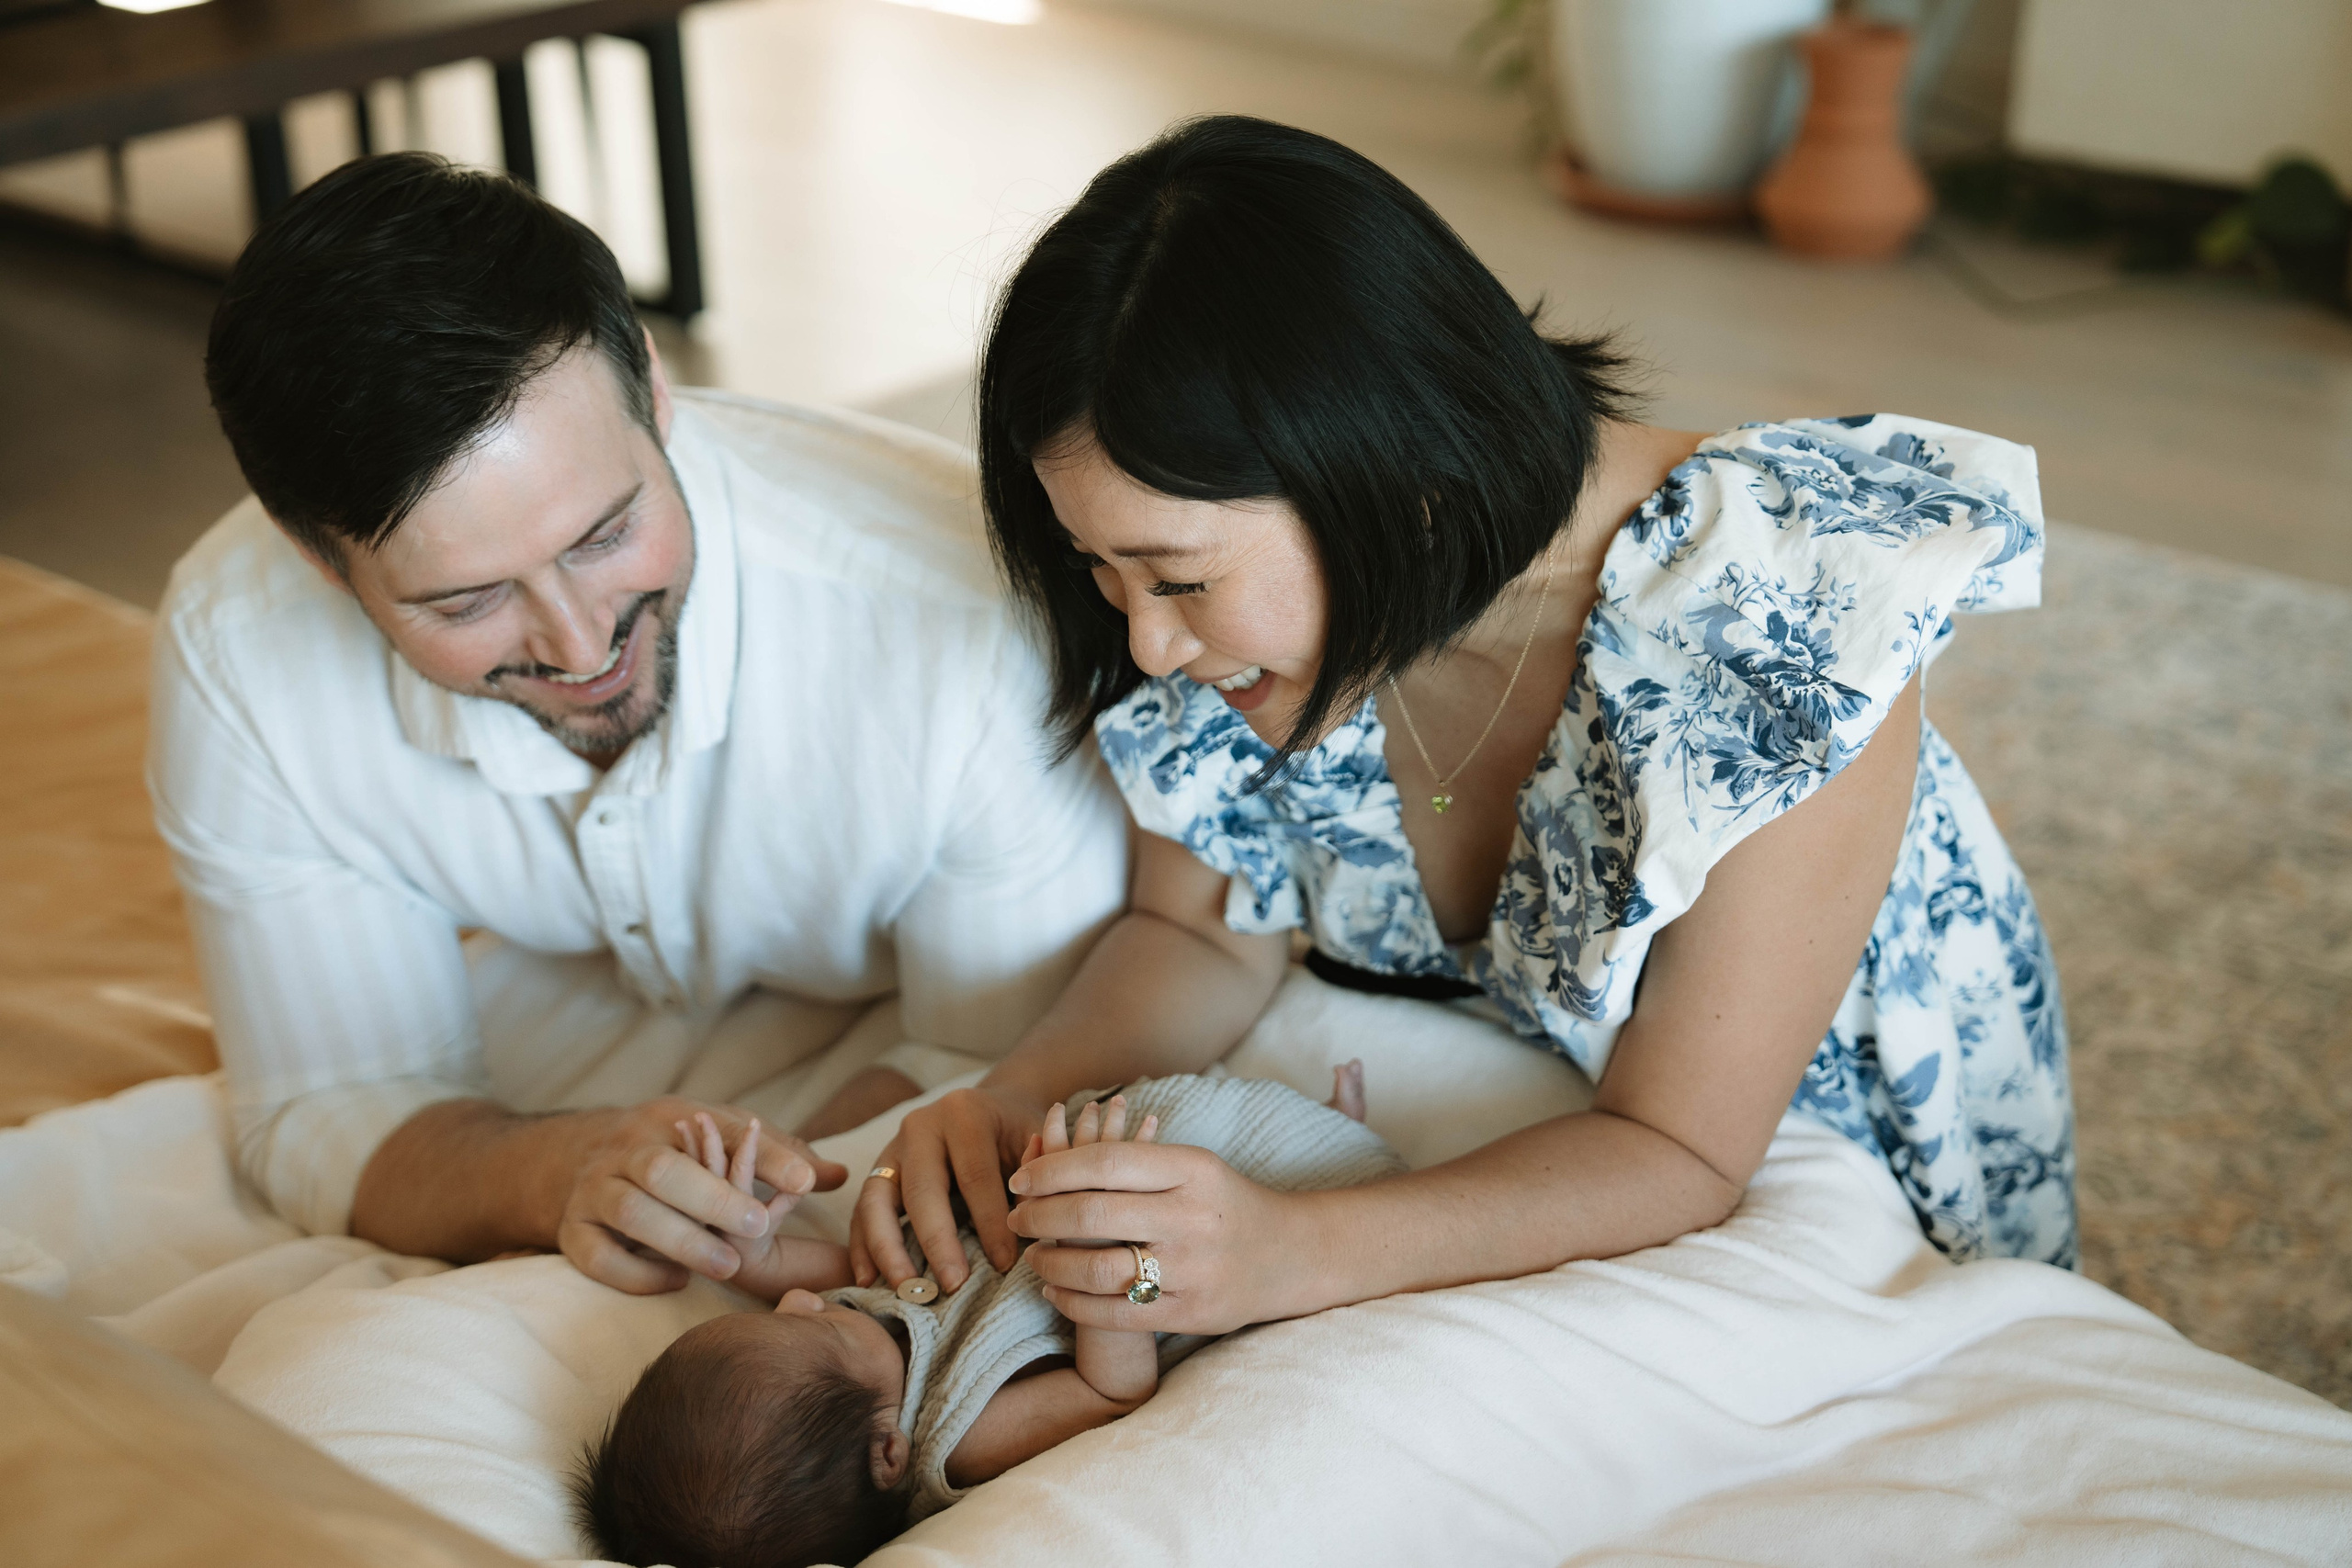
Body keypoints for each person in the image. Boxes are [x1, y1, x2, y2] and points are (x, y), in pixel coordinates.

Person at [852, 115, 2075, 1337]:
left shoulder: (1787, 615)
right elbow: (1203, 925)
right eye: (1101, 571)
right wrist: (1016, 1090)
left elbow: (1684, 1146)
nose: (1147, 645)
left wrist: (1290, 1249)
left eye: (1177, 578)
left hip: (1811, 1122)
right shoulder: (1247, 628)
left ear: (1396, 481)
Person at [156, 152, 1126, 1292]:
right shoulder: (237, 654)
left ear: (656, 395)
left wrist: (759, 1190)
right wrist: (559, 1167)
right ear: (315, 556)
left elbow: (998, 1055)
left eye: (605, 534)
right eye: (465, 601)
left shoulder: (963, 624)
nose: (577, 645)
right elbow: (324, 1106)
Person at [573, 1066, 1393, 1568]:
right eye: (814, 1326)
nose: (800, 1300)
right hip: (1150, 1239)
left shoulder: (862, 1336)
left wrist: (740, 1239)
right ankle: (1341, 1133)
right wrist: (1102, 1253)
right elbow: (1108, 1393)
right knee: (1275, 1180)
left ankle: (1304, 1114)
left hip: (1103, 1151)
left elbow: (811, 1273)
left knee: (1157, 1122)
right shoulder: (960, 1437)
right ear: (889, 1450)